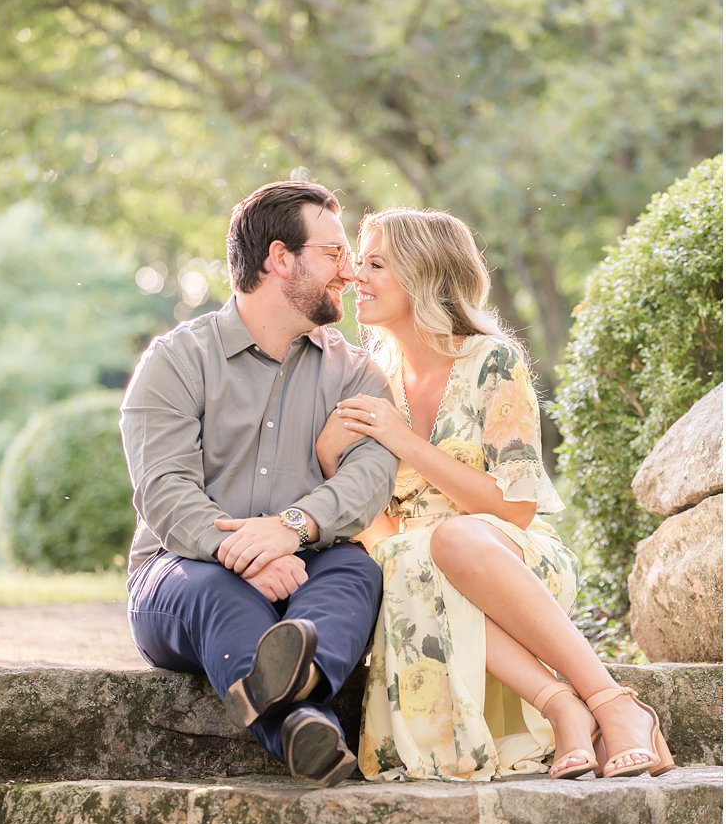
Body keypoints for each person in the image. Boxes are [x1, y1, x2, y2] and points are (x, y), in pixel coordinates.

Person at [319, 206, 674, 782]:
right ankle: (564, 708)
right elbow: (375, 525)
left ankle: (612, 701)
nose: (357, 276)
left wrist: (404, 442)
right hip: (415, 570)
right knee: (408, 557)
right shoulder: (368, 377)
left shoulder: (492, 361)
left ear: (423, 273)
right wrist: (329, 458)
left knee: (451, 540)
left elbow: (515, 505)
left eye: (375, 263)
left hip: (510, 555)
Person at [121, 180, 398, 786]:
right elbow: (165, 489)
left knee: (356, 573)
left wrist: (289, 529)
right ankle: (302, 718)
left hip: (309, 567)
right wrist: (237, 552)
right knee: (218, 591)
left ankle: (296, 720)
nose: (349, 274)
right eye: (333, 254)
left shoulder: (355, 374)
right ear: (279, 258)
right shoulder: (175, 361)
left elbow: (370, 479)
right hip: (183, 573)